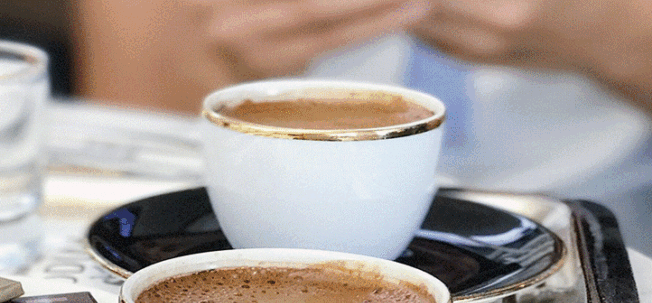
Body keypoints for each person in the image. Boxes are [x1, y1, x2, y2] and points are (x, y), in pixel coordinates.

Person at [72, 0, 652, 254]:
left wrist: (613, 33)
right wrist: (213, 65)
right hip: (268, 213)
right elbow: (128, 155)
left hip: (608, 219)